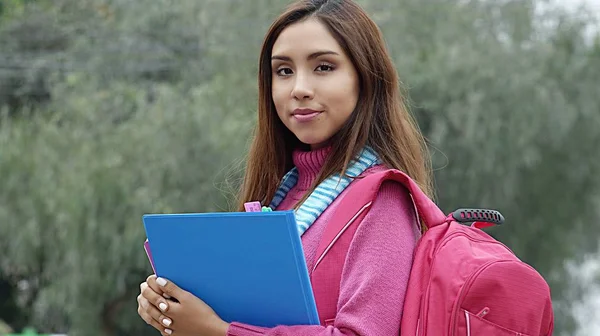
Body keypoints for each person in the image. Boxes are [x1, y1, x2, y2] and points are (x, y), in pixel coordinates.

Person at [136, 0, 434, 335]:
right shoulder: (282, 192)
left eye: (323, 67)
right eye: (284, 71)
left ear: (365, 79)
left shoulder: (382, 197)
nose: (300, 89)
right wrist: (169, 305)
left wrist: (218, 331)